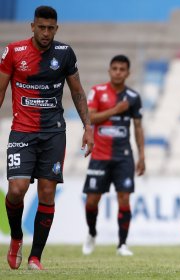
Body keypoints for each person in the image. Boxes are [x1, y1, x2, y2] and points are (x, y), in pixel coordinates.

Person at [0, 6, 94, 270]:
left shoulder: (64, 54)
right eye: (41, 27)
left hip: (53, 132)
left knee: (47, 193)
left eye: (50, 28)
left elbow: (77, 92)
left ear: (57, 28)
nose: (45, 32)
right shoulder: (14, 52)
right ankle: (16, 237)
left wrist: (88, 126)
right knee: (17, 190)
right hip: (22, 130)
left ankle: (35, 257)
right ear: (32, 26)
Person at [81, 54, 145, 256]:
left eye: (122, 69)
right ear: (109, 71)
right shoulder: (97, 92)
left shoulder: (133, 97)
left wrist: (142, 155)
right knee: (92, 201)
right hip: (99, 155)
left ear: (128, 73)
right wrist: (116, 110)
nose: (118, 72)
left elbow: (138, 127)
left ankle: (122, 244)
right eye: (115, 68)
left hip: (123, 157)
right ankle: (91, 233)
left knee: (124, 199)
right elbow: (90, 117)